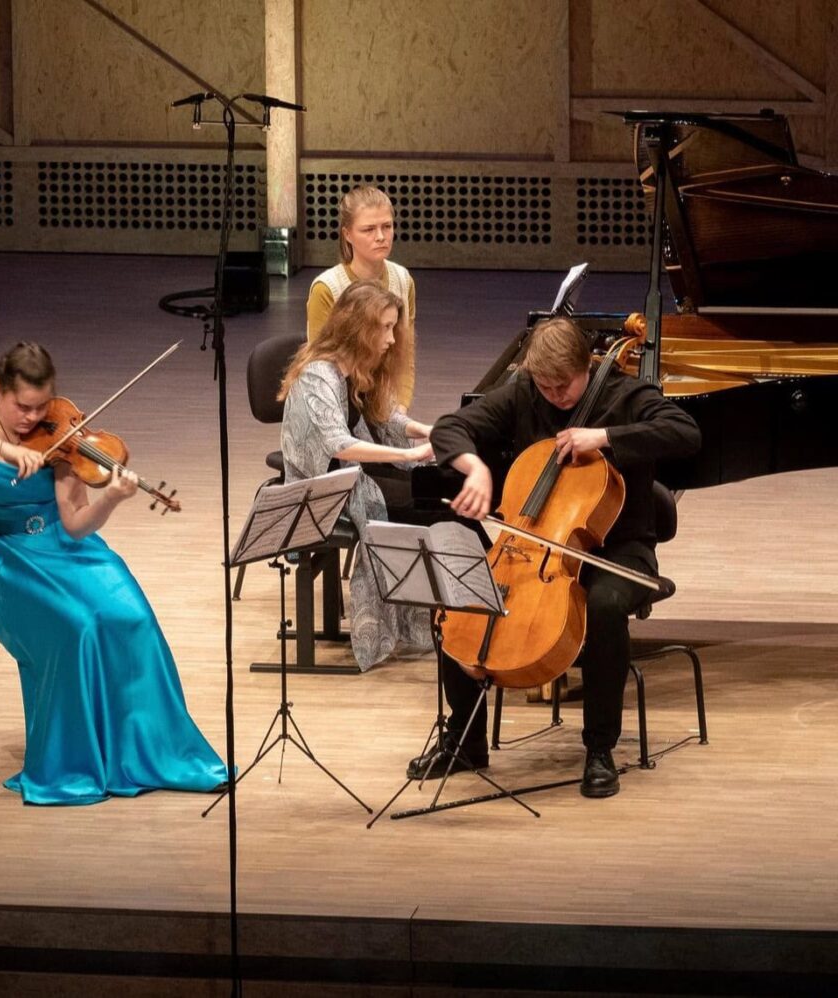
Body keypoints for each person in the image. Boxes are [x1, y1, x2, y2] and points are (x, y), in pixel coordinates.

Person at [0, 342, 228, 805]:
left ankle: (155, 755)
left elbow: (77, 525)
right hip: (12, 561)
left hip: (69, 551)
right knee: (77, 627)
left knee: (132, 619)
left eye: (42, 406)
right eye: (22, 406)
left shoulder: (62, 439)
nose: (33, 418)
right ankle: (74, 765)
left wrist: (111, 499)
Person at [417, 317, 701, 797]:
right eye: (544, 386)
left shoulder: (625, 394)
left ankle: (600, 750)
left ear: (585, 367)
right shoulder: (526, 393)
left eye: (563, 385)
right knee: (458, 591)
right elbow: (451, 427)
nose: (553, 395)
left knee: (604, 606)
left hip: (619, 549)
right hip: (534, 548)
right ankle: (465, 744)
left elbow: (686, 433)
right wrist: (475, 469)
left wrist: (605, 438)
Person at [280, 282, 435, 670]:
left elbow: (385, 417)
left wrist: (425, 430)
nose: (390, 338)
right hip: (320, 488)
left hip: (350, 476)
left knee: (426, 484)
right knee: (410, 502)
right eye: (383, 328)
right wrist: (406, 453)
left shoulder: (358, 369)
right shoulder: (320, 375)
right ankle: (395, 626)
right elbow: (338, 444)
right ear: (357, 328)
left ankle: (416, 619)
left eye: (393, 327)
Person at [306, 186, 417, 410]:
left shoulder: (403, 280)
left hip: (388, 405)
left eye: (387, 226)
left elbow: (404, 359)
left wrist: (400, 411)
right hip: (339, 407)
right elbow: (320, 370)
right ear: (347, 234)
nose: (380, 237)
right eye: (368, 229)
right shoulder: (327, 288)